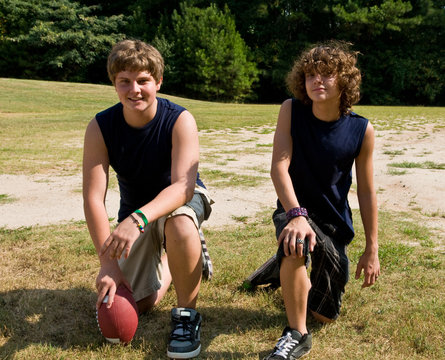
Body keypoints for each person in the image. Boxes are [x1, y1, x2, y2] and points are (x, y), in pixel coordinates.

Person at [82, 39, 212, 359]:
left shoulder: (180, 119)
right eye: (124, 81)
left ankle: (186, 316)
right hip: (133, 213)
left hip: (179, 201)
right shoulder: (101, 126)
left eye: (143, 81)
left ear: (158, 82)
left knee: (180, 225)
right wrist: (108, 264)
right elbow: (93, 199)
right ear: (114, 83)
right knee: (134, 305)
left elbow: (183, 185)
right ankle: (173, 260)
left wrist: (139, 220)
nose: (134, 89)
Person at [263, 40, 380, 359]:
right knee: (296, 244)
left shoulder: (361, 130)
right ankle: (296, 334)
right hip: (294, 209)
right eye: (310, 74)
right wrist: (296, 214)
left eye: (327, 74)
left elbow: (367, 192)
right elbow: (279, 167)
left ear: (345, 80)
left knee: (324, 315)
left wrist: (372, 248)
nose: (317, 80)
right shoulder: (291, 110)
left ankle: (278, 269)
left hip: (333, 221)